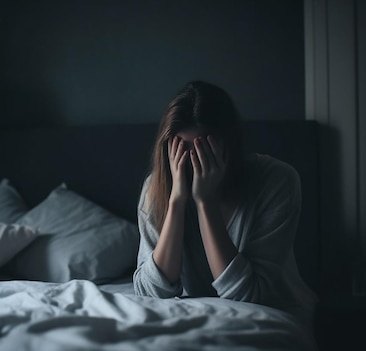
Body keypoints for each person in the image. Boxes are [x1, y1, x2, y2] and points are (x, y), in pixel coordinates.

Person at [133, 80, 318, 326]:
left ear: (228, 145)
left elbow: (248, 295)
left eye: (202, 152)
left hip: (271, 314)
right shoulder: (155, 188)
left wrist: (205, 202)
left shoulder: (277, 181)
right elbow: (150, 294)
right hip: (199, 319)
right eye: (181, 152)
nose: (191, 164)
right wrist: (176, 202)